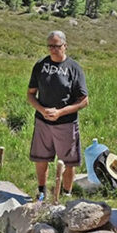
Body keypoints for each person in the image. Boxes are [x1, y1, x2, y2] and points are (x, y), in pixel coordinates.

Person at [27, 31, 88, 201]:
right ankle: (41, 191)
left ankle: (66, 194)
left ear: (65, 46)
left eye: (57, 46)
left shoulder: (73, 68)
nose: (53, 50)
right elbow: (30, 94)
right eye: (50, 46)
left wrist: (60, 112)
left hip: (66, 123)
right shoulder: (40, 65)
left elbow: (84, 101)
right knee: (41, 158)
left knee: (68, 162)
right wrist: (41, 109)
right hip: (43, 121)